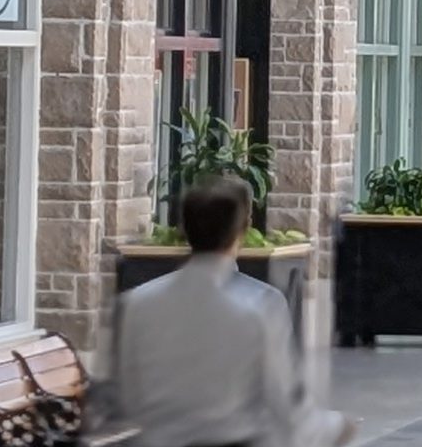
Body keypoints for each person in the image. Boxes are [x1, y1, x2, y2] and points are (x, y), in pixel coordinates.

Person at [116, 177, 354, 447]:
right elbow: (286, 409)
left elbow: (128, 398)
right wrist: (336, 427)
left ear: (184, 228)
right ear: (242, 230)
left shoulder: (136, 303)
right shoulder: (262, 306)